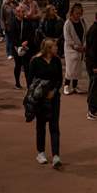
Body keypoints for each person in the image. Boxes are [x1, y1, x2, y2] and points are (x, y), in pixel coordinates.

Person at [28, 39, 64, 169]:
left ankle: (56, 155)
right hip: (40, 99)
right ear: (48, 48)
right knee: (41, 125)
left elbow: (60, 79)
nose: (57, 48)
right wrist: (40, 94)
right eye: (55, 46)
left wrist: (54, 91)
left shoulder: (56, 61)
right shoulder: (35, 61)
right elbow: (30, 82)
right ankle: (41, 152)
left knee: (54, 126)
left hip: (54, 98)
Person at [63, 3, 87, 95]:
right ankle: (66, 85)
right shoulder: (68, 23)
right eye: (77, 13)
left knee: (78, 68)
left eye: (80, 13)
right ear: (72, 13)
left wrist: (84, 45)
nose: (78, 15)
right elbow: (67, 37)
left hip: (81, 48)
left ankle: (75, 86)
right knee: (70, 68)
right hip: (70, 49)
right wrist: (75, 47)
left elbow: (85, 34)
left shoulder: (82, 21)